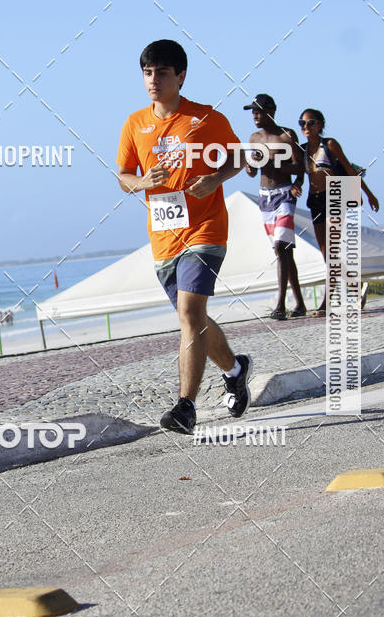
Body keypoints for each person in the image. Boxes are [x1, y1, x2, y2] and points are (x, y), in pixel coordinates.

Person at [116, 39, 252, 434]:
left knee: (190, 314)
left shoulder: (206, 118)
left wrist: (215, 178)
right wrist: (142, 181)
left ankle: (185, 407)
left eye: (161, 72)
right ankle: (235, 368)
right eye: (147, 72)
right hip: (163, 237)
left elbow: (239, 156)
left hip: (206, 230)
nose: (152, 80)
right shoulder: (134, 124)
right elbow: (123, 177)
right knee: (194, 318)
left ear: (181, 76)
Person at [300, 108, 379, 316]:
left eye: (310, 122)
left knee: (333, 253)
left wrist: (368, 194)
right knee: (327, 255)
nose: (305, 127)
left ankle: (327, 302)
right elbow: (293, 171)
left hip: (334, 197)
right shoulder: (302, 150)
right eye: (302, 123)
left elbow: (349, 170)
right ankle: (356, 288)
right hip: (314, 200)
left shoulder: (330, 144)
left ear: (320, 125)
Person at [244, 93, 306, 321]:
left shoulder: (287, 136)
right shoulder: (254, 138)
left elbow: (301, 167)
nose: (255, 116)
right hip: (265, 198)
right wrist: (250, 165)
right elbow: (251, 171)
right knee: (284, 251)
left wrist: (277, 166)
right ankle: (299, 303)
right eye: (253, 112)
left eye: (259, 111)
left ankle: (280, 304)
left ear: (272, 111)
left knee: (281, 246)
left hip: (285, 194)